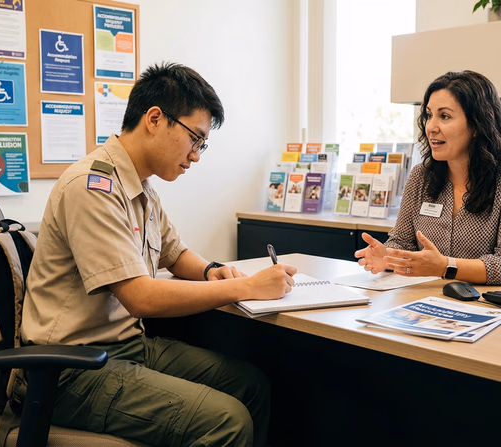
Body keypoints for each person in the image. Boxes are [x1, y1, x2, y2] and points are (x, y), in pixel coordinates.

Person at [20, 62, 296, 446]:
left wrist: (211, 271)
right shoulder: (92, 187)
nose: (196, 156)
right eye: (194, 139)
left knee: (251, 386)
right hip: (69, 370)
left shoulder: (140, 185)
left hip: (125, 347)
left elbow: (174, 252)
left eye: (202, 145)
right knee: (227, 421)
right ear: (154, 118)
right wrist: (246, 287)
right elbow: (140, 296)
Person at [355, 70, 501, 287]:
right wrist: (388, 255)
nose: (431, 127)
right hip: (436, 298)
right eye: (428, 115)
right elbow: (403, 242)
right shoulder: (420, 176)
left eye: (444, 116)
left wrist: (445, 267)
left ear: (476, 125)